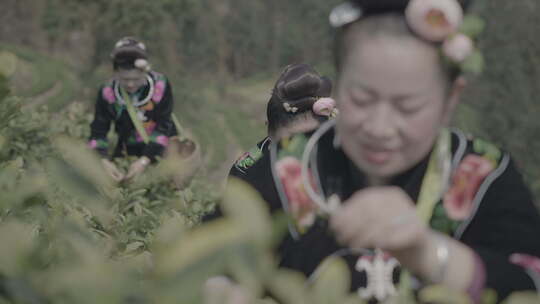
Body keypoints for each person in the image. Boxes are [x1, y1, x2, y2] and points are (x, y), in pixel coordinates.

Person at [242, 0, 540, 302]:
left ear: (451, 99)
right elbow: (215, 268)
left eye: (407, 107)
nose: (380, 128)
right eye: (361, 99)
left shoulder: (483, 176)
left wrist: (425, 251)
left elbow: (529, 280)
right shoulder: (283, 168)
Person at [204, 63, 335, 221]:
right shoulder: (247, 170)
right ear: (269, 133)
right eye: (288, 145)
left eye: (309, 141)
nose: (298, 154)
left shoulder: (343, 155)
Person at [88, 37, 177, 181]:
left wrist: (144, 160)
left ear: (145, 72)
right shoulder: (107, 92)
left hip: (161, 148)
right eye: (124, 79)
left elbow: (164, 125)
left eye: (136, 79)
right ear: (115, 73)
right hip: (127, 149)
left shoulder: (160, 85)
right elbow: (98, 130)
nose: (130, 84)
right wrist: (103, 160)